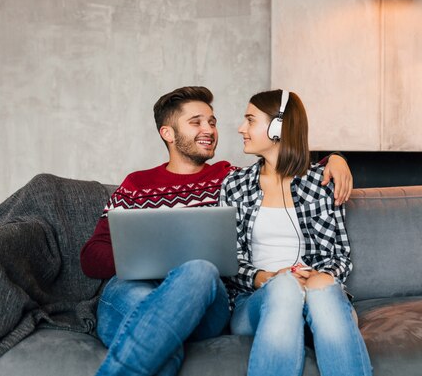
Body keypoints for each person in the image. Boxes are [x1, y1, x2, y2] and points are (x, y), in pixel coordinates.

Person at [80, 86, 354, 376]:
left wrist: (335, 159)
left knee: (199, 270)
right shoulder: (136, 185)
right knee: (158, 334)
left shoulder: (228, 178)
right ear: (168, 134)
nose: (209, 129)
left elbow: (285, 170)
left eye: (212, 121)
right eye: (196, 122)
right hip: (136, 289)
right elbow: (91, 256)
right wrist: (153, 259)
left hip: (204, 297)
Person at [220, 89, 372, 376]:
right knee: (285, 287)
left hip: (317, 298)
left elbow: (338, 257)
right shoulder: (235, 184)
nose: (241, 128)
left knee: (321, 290)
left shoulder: (320, 183)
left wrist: (314, 277)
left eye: (250, 120)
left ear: (279, 127)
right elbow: (228, 259)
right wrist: (266, 277)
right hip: (255, 303)